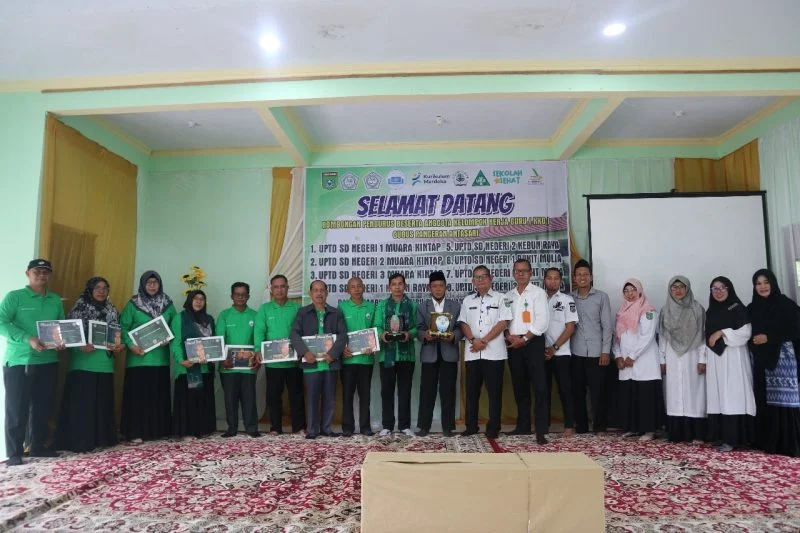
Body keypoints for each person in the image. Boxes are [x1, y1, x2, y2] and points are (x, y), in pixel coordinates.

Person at [0, 259, 64, 465]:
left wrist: (62, 341)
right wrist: (28, 339)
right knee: (16, 408)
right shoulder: (15, 297)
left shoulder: (55, 299)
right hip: (20, 361)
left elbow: (61, 326)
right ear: (28, 273)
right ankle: (14, 453)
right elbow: (1, 322)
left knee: (43, 406)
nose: (42, 275)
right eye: (37, 271)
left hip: (48, 360)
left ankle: (38, 446)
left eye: (46, 272)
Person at [56, 277, 123, 453]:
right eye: (97, 288)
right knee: (82, 406)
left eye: (105, 288)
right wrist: (81, 346)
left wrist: (118, 346)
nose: (101, 291)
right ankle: (80, 442)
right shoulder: (78, 309)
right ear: (90, 290)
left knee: (102, 404)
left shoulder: (112, 310)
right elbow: (67, 335)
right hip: (82, 364)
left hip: (105, 363)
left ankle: (101, 440)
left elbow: (118, 335)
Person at [747, 268, 800, 457]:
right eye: (758, 283)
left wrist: (769, 337)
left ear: (773, 283)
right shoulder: (752, 308)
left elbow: (796, 329)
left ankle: (787, 444)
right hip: (761, 360)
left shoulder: (785, 304)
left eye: (766, 282)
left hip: (782, 361)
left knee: (783, 401)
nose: (762, 287)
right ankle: (767, 442)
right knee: (763, 399)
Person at [120, 270, 176, 443]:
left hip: (160, 359)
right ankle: (135, 432)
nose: (152, 286)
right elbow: (122, 327)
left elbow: (175, 325)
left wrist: (170, 337)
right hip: (138, 359)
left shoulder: (167, 304)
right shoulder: (133, 304)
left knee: (158, 397)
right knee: (138, 398)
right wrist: (131, 345)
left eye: (155, 282)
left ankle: (158, 431)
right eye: (148, 283)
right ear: (143, 285)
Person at [458, 266, 512, 439]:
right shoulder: (467, 300)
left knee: (494, 393)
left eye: (483, 277)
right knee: (472, 392)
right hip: (473, 352)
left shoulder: (502, 298)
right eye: (477, 277)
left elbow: (503, 323)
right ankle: (471, 426)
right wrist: (473, 340)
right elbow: (463, 323)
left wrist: (484, 341)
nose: (480, 280)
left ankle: (493, 428)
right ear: (473, 281)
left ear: (491, 278)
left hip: (494, 354)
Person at [290, 280, 348, 439]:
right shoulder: (303, 312)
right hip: (311, 363)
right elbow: (294, 334)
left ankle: (326, 429)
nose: (319, 293)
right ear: (310, 293)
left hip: (330, 363)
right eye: (315, 290)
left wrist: (333, 354)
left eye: (322, 290)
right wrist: (304, 352)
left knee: (330, 398)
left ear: (327, 292)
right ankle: (312, 430)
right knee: (312, 398)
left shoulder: (336, 313)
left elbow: (343, 336)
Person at [705, 276, 756, 452]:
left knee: (733, 395)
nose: (718, 292)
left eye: (722, 288)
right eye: (714, 289)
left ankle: (734, 438)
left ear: (730, 289)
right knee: (719, 395)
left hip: (734, 357)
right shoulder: (711, 311)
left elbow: (746, 332)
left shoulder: (737, 308)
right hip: (715, 359)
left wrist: (722, 332)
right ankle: (721, 435)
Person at [504, 259, 550, 444]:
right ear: (513, 273)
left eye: (524, 271)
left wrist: (524, 339)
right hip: (513, 344)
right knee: (519, 386)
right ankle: (523, 426)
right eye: (517, 271)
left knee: (539, 387)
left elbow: (542, 322)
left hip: (533, 342)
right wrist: (509, 336)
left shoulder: (538, 293)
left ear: (531, 273)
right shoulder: (508, 295)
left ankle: (541, 430)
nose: (521, 274)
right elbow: (504, 321)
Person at [658, 276, 707, 444]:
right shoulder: (665, 310)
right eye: (674, 287)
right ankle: (676, 434)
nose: (678, 290)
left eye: (681, 287)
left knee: (694, 392)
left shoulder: (697, 309)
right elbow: (663, 337)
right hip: (672, 355)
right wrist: (662, 359)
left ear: (687, 289)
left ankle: (697, 433)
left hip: (693, 355)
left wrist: (702, 358)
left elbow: (702, 335)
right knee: (674, 392)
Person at [613, 279, 663, 441]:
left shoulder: (648, 310)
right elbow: (617, 337)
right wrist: (618, 355)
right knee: (630, 395)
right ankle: (633, 428)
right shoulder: (621, 312)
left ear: (640, 291)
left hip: (643, 360)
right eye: (626, 290)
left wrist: (633, 356)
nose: (630, 293)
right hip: (626, 362)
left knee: (645, 396)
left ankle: (649, 430)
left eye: (633, 290)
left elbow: (647, 336)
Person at [254, 275, 305, 435]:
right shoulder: (265, 309)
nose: (279, 290)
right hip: (273, 362)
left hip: (293, 361)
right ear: (271, 290)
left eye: (282, 286)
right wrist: (258, 349)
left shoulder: (297, 308)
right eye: (276, 287)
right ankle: (275, 427)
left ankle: (298, 427)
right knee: (273, 396)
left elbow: (303, 331)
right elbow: (259, 331)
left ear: (288, 288)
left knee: (296, 395)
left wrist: (302, 350)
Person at [570, 259, 613, 435]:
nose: (582, 277)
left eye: (585, 274)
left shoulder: (602, 297)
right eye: (579, 275)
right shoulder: (569, 298)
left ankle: (600, 426)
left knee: (598, 392)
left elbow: (607, 326)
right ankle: (581, 426)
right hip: (576, 351)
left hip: (597, 353)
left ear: (591, 277)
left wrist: (605, 351)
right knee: (577, 392)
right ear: (574, 278)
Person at [416, 271, 462, 437]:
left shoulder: (455, 306)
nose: (437, 289)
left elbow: (460, 328)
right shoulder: (422, 307)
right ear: (429, 288)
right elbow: (418, 329)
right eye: (434, 286)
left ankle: (448, 427)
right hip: (429, 354)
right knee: (427, 391)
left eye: (441, 286)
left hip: (449, 353)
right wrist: (425, 335)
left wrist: (454, 336)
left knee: (448, 391)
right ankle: (424, 426)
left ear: (446, 287)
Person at [374, 273, 418, 437]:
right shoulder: (382, 306)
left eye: (400, 284)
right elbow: (377, 326)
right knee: (387, 391)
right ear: (389, 287)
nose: (397, 287)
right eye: (394, 284)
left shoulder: (412, 306)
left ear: (405, 286)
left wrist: (409, 334)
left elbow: (417, 327)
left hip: (407, 356)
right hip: (387, 356)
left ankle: (405, 426)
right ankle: (387, 425)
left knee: (405, 391)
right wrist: (382, 334)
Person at [170, 290, 217, 439]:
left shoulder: (209, 319)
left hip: (204, 367)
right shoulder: (180, 318)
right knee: (187, 400)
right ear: (189, 300)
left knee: (202, 399)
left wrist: (212, 356)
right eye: (195, 298)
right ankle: (186, 431)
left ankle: (202, 430)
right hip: (187, 367)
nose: (199, 301)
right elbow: (176, 342)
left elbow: (213, 342)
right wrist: (181, 360)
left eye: (202, 299)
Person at [217, 282, 260, 438]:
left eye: (243, 294)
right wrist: (222, 359)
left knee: (249, 398)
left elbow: (258, 339)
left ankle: (251, 428)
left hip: (249, 366)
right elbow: (219, 339)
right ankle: (232, 428)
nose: (240, 297)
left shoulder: (255, 315)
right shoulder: (224, 315)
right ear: (232, 296)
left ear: (248, 296)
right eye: (237, 294)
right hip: (228, 366)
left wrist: (258, 357)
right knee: (230, 399)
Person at [338, 277, 378, 437]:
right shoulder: (341, 307)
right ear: (348, 290)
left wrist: (372, 345)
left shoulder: (371, 307)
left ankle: (365, 427)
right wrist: (342, 348)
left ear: (364, 288)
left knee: (365, 395)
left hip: (366, 360)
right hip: (348, 359)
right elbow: (338, 332)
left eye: (359, 286)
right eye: (352, 287)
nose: (356, 289)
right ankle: (347, 427)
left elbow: (375, 329)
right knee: (347, 395)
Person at [543, 267, 578, 439]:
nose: (553, 281)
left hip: (561, 353)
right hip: (541, 354)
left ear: (561, 281)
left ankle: (569, 426)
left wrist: (555, 347)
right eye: (549, 278)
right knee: (543, 391)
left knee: (565, 390)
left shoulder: (567, 300)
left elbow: (570, 327)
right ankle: (544, 425)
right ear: (544, 280)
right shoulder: (538, 298)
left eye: (556, 278)